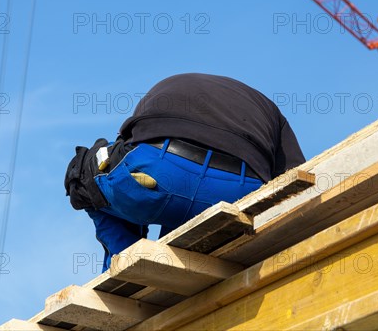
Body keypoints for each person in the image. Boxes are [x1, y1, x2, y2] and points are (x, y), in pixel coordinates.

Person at [64, 73, 305, 272]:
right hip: (238, 190)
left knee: (84, 175)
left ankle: (127, 263)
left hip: (161, 175)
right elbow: (295, 177)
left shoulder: (166, 88)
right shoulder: (269, 110)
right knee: (179, 221)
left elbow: (124, 153)